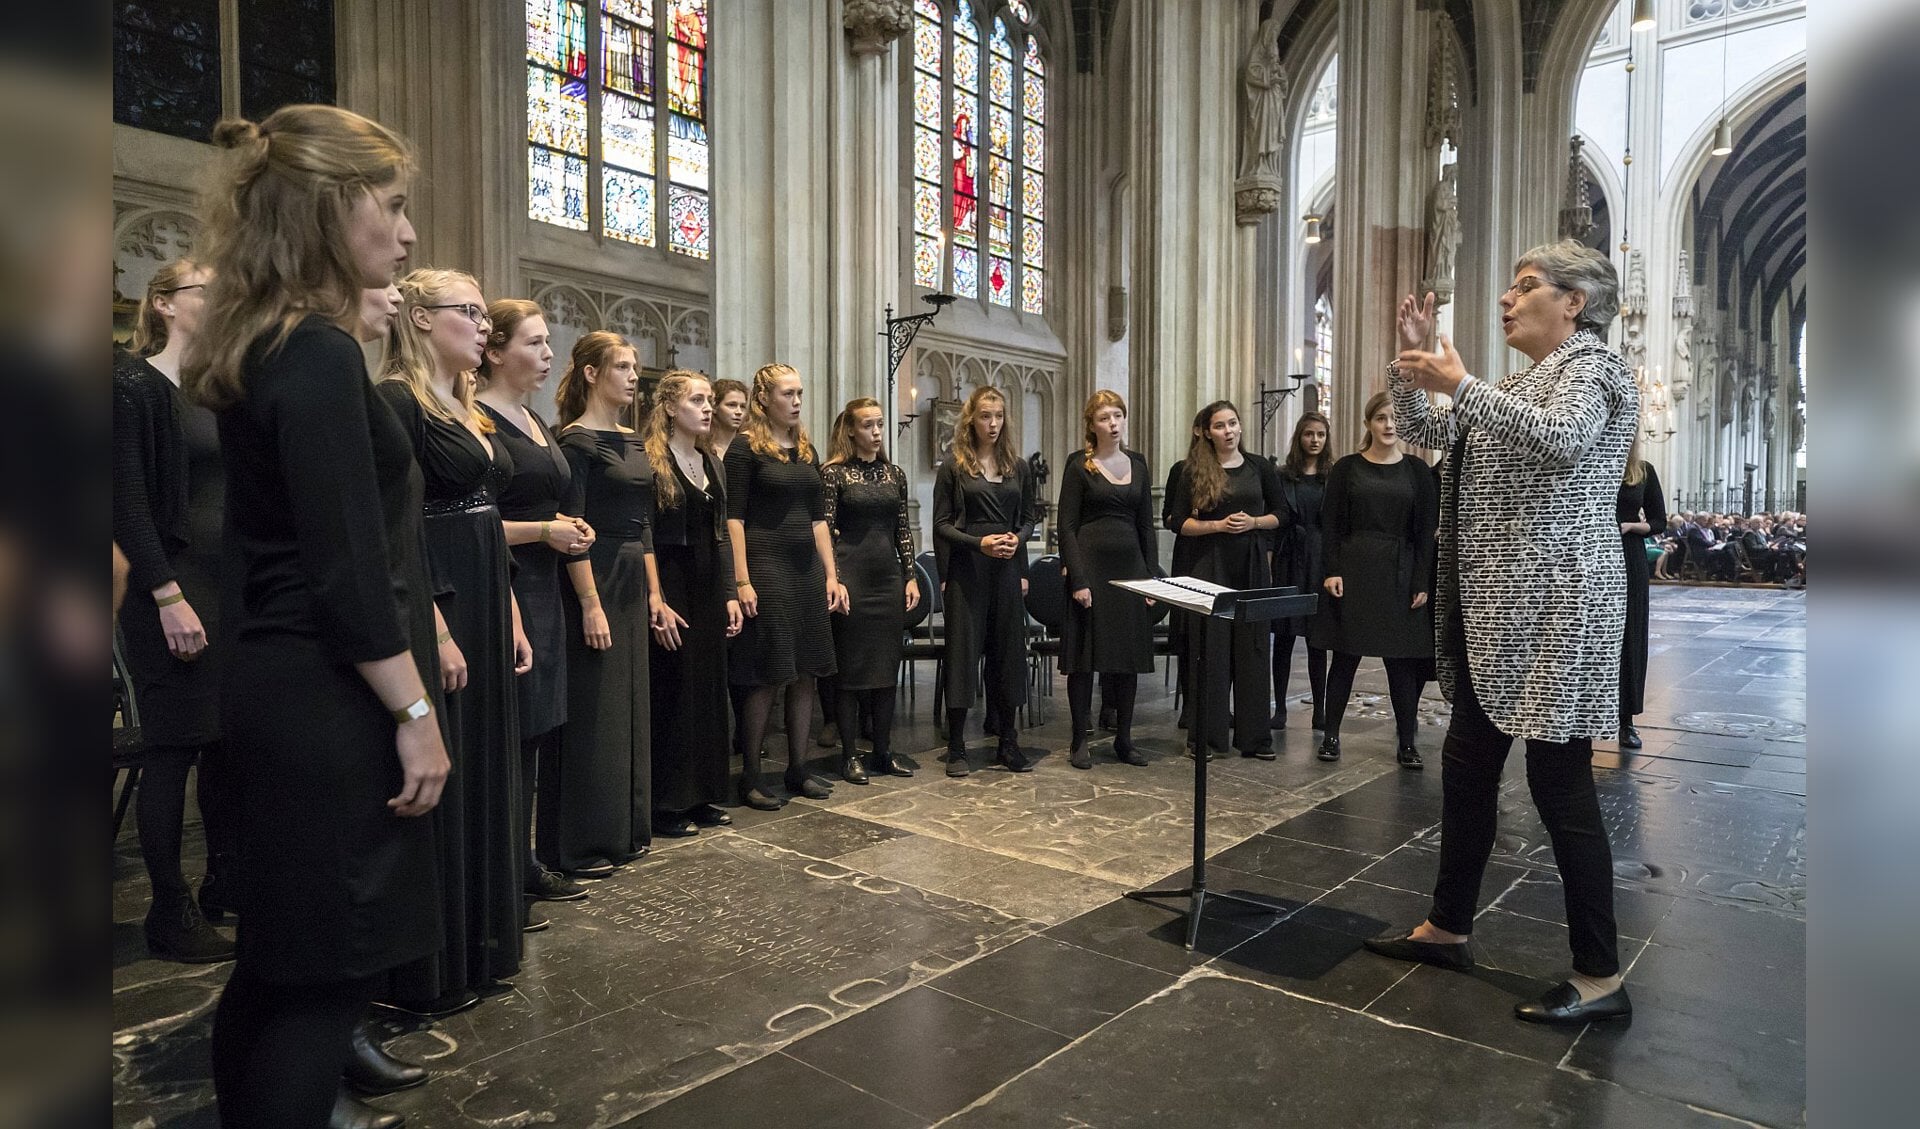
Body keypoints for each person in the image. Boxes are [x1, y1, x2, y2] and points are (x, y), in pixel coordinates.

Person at [184, 104, 448, 1129]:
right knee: (330, 981)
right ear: (336, 208)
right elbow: (345, 572)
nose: (408, 232)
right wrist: (414, 714)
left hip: (270, 685)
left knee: (274, 967)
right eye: (394, 205)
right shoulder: (323, 353)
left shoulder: (265, 341)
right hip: (329, 699)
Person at [1366, 240, 1639, 1027]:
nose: (1507, 299)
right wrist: (1413, 361)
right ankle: (1448, 924)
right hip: (1497, 611)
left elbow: (1560, 438)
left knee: (1560, 785)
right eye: (1509, 285)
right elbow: (1424, 429)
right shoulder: (1522, 382)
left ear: (1574, 302)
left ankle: (1598, 973)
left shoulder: (1594, 368)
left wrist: (1465, 384)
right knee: (1468, 764)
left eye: (1526, 287)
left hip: (1560, 603)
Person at [379, 268, 532, 1008]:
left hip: (483, 587)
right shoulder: (396, 401)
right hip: (437, 597)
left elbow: (485, 517)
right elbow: (401, 530)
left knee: (486, 766)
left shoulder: (464, 405)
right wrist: (437, 628)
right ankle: (429, 965)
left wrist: (510, 609)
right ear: (417, 318)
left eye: (481, 311)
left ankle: (483, 944)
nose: (481, 324)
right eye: (466, 311)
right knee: (452, 771)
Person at [112, 257, 238, 963]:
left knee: (224, 742)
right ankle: (170, 907)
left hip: (228, 588)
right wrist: (166, 596)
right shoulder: (129, 384)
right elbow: (124, 503)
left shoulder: (218, 391)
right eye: (207, 290)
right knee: (174, 746)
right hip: (171, 588)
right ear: (163, 303)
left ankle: (225, 880)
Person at [475, 299, 597, 906]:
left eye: (549, 343)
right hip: (504, 582)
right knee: (507, 728)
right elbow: (469, 521)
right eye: (534, 343)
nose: (549, 354)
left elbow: (541, 506)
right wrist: (544, 531)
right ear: (495, 352)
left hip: (544, 587)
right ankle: (499, 867)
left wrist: (567, 526)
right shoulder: (478, 420)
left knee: (536, 729)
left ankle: (523, 860)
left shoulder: (534, 420)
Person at [555, 332, 660, 870]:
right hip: (592, 574)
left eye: (635, 366)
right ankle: (585, 841)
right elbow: (571, 528)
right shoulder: (576, 442)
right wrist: (590, 604)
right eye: (622, 366)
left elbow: (641, 526)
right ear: (592, 373)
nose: (633, 376)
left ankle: (627, 828)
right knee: (596, 709)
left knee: (630, 703)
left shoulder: (632, 438)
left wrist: (655, 593)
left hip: (630, 578)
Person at [726, 363, 847, 808]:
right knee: (767, 674)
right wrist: (741, 579)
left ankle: (799, 768)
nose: (797, 402)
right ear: (764, 399)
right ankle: (753, 775)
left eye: (800, 393)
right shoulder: (743, 450)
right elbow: (733, 520)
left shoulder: (805, 450)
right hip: (766, 566)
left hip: (806, 571)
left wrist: (832, 574)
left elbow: (819, 520)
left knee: (807, 672)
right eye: (788, 394)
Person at [1311, 392, 1437, 769]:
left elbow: (1424, 531)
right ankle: (1331, 735)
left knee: (1401, 663)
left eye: (1394, 418)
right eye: (1381, 418)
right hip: (1354, 569)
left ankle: (1407, 742)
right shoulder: (1347, 468)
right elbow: (1330, 525)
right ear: (1368, 423)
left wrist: (1421, 580)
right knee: (1345, 656)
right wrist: (1331, 569)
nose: (1389, 425)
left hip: (1399, 571)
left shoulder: (1417, 470)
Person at [643, 371, 743, 834]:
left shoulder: (711, 461)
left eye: (708, 400)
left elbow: (720, 532)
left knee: (707, 690)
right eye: (697, 400)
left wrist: (729, 593)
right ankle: (668, 802)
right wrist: (655, 596)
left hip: (707, 584)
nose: (707, 408)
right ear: (669, 408)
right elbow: (646, 534)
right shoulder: (652, 460)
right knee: (674, 691)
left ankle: (703, 793)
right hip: (671, 581)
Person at [1165, 400, 1288, 760]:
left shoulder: (1259, 467)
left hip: (1250, 564)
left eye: (1233, 423)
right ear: (1206, 432)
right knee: (1211, 652)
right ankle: (1207, 739)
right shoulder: (1192, 470)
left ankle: (1255, 738)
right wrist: (1217, 525)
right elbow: (1177, 522)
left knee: (1252, 648)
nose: (1229, 431)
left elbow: (1282, 514)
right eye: (1220, 426)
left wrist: (1253, 523)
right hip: (1209, 563)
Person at [934, 386, 1036, 776]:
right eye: (985, 416)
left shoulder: (1018, 466)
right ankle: (958, 745)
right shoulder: (955, 465)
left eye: (998, 416)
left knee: (1008, 653)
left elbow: (1028, 517)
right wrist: (980, 543)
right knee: (963, 654)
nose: (993, 424)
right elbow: (941, 525)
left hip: (1006, 567)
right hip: (969, 568)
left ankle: (1008, 743)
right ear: (971, 419)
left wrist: (1018, 540)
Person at [1056, 390, 1157, 770]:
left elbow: (1146, 525)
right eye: (1104, 417)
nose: (1113, 423)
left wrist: (1149, 579)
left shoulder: (1139, 464)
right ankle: (1079, 739)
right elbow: (1067, 526)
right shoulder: (1079, 464)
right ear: (1092, 425)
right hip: (1091, 569)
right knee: (1084, 659)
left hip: (1130, 569)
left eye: (1117, 415)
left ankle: (1124, 738)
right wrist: (1078, 578)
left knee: (1126, 659)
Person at [821, 398, 921, 781]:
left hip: (887, 579)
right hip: (852, 578)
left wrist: (910, 575)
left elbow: (902, 529)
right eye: (868, 425)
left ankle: (882, 750)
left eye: (880, 424)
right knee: (850, 672)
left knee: (884, 671)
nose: (877, 432)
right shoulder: (834, 475)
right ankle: (849, 755)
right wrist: (835, 579)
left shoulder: (894, 474)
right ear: (850, 429)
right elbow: (825, 531)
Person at [1271, 410, 1334, 733]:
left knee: (1316, 640)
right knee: (1282, 637)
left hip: (1319, 558)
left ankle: (1319, 710)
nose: (1315, 440)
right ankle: (1279, 708)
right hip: (1289, 557)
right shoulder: (1283, 476)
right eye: (1309, 434)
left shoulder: (1332, 476)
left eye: (1320, 435)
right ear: (1300, 437)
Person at [1615, 436, 1666, 749]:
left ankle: (1626, 721)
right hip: (1594, 553)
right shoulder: (1593, 465)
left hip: (1629, 555)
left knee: (1630, 636)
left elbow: (1659, 520)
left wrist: (1631, 527)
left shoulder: (1643, 471)